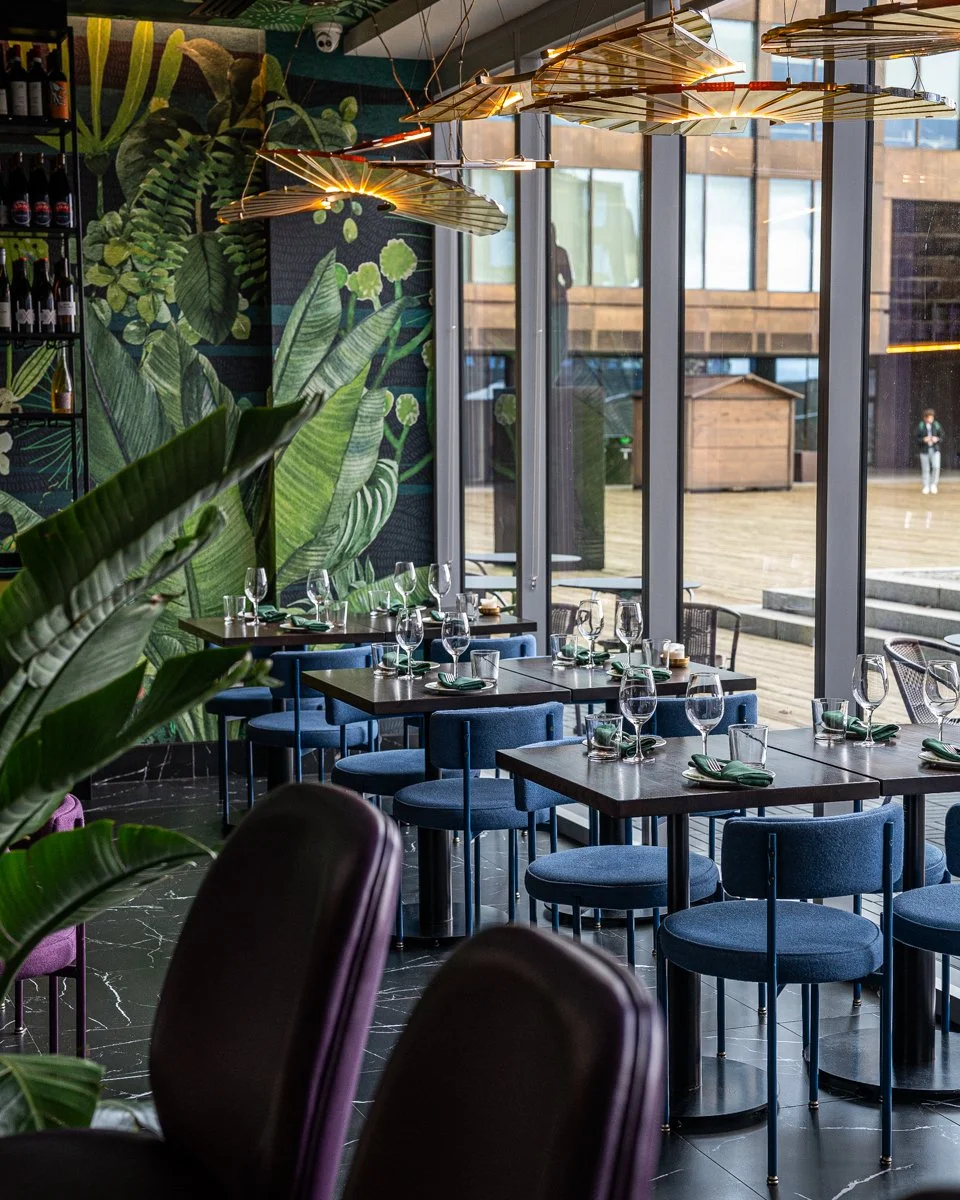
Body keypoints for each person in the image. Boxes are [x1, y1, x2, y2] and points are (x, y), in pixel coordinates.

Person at [917, 407, 945, 495]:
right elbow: (917, 439)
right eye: (929, 417)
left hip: (935, 449)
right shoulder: (921, 426)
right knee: (926, 469)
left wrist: (937, 439)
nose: (931, 419)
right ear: (925, 418)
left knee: (936, 467)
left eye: (932, 417)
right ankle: (926, 485)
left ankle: (933, 484)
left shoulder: (936, 425)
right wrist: (923, 440)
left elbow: (942, 436)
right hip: (924, 450)